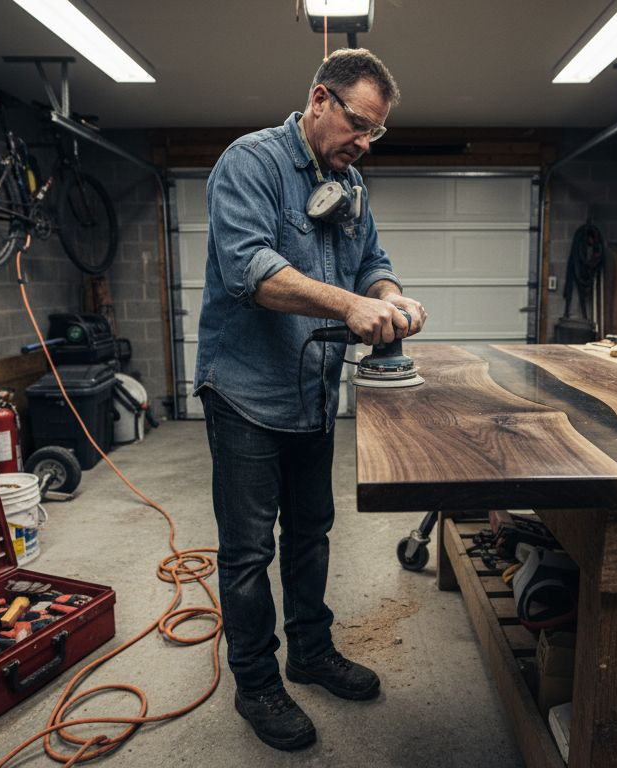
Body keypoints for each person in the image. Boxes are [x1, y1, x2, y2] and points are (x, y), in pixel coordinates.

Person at [192, 48, 426, 751]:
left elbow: (373, 264)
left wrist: (388, 296)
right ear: (320, 99)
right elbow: (252, 269)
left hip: (313, 390)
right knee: (245, 552)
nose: (363, 143)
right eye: (358, 124)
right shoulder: (251, 163)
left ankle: (312, 652)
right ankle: (257, 684)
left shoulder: (350, 185)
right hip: (245, 390)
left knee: (311, 532)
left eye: (375, 133)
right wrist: (350, 304)